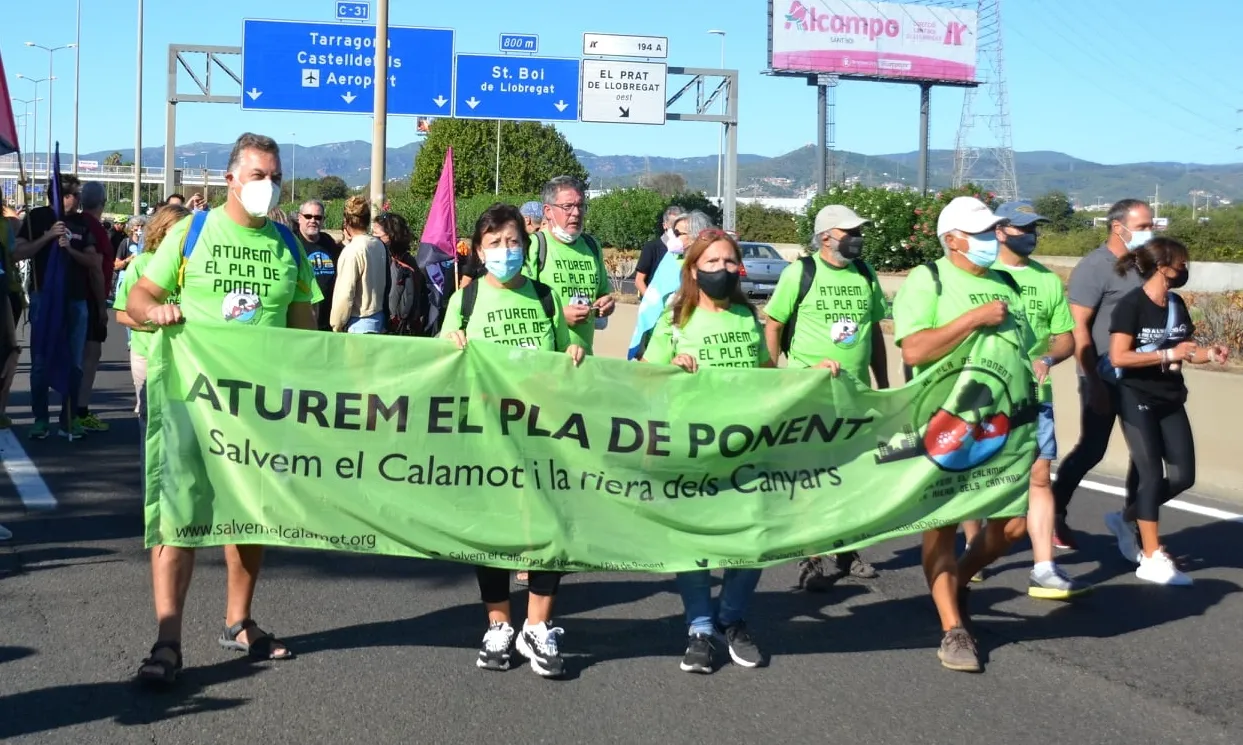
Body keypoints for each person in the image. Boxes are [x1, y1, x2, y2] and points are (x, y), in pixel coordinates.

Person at [124, 132, 321, 686]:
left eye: (276, 177)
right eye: (258, 175)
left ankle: (239, 622)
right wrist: (155, 313)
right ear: (231, 179)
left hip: (260, 410)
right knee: (178, 516)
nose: (269, 185)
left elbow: (307, 333)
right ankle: (167, 642)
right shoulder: (192, 232)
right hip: (189, 401)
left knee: (249, 514)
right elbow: (138, 297)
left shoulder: (288, 246)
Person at [642, 228, 799, 674]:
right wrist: (670, 368)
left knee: (750, 540)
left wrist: (815, 377)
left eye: (730, 261)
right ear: (693, 270)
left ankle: (732, 619)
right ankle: (700, 627)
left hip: (747, 450)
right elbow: (641, 379)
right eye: (712, 262)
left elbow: (768, 376)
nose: (723, 269)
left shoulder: (748, 318)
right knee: (696, 541)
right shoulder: (676, 320)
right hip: (692, 451)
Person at [891, 196, 1037, 673]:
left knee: (1012, 527)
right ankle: (953, 629)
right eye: (981, 233)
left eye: (993, 230)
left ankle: (955, 580)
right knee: (943, 523)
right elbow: (914, 349)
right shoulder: (927, 279)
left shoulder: (1006, 283)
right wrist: (973, 318)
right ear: (952, 240)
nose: (992, 239)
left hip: (1006, 425)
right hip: (946, 425)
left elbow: (1022, 350)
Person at [441, 203, 584, 678]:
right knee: (494, 529)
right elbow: (440, 365)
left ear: (525, 244)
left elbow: (566, 354)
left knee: (550, 525)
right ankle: (499, 625)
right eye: (495, 243)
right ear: (479, 251)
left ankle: (537, 626)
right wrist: (451, 346)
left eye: (513, 241)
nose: (505, 250)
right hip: (487, 438)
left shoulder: (545, 297)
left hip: (543, 437)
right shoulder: (465, 300)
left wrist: (575, 351)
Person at [764, 204, 886, 588]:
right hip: (810, 393)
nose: (858, 239)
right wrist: (773, 380)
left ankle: (846, 548)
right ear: (826, 237)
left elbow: (874, 330)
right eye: (851, 232)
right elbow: (774, 324)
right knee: (812, 475)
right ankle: (812, 556)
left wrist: (882, 383)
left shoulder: (865, 273)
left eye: (859, 232)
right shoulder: (800, 273)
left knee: (851, 474)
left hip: (854, 394)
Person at [1107, 238, 1223, 585]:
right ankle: (1151, 557)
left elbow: (1185, 349)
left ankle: (1125, 518)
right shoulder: (1131, 305)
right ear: (1162, 267)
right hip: (1135, 395)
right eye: (1181, 263)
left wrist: (1207, 354)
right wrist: (1166, 355)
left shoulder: (1175, 304)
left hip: (1170, 396)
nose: (1185, 269)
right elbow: (1118, 356)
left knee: (1183, 476)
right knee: (1151, 475)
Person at [989, 200, 1089, 599]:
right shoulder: (981, 274)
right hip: (987, 396)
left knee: (1039, 475)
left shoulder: (1046, 280)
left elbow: (1065, 337)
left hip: (1034, 395)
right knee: (980, 476)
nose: (1031, 235)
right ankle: (975, 550)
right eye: (1022, 228)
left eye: (1034, 228)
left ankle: (1044, 568)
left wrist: (1048, 358)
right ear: (1000, 231)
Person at [1052, 199, 1151, 549]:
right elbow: (1078, 326)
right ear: (1117, 227)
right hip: (1103, 375)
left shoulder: (1144, 264)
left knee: (1146, 455)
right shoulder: (1094, 267)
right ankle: (1054, 511)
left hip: (1140, 375)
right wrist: (1092, 380)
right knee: (1093, 449)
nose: (1149, 232)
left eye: (1151, 225)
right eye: (1142, 227)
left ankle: (1134, 525)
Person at [13, 173, 104, 441]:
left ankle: (69, 418)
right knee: (41, 360)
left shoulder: (82, 222)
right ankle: (41, 419)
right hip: (45, 296)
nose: (77, 198)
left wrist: (70, 249)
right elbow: (18, 253)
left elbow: (93, 262)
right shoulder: (37, 217)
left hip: (76, 299)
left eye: (78, 194)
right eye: (71, 194)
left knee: (74, 362)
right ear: (57, 195)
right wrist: (47, 238)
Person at [113, 203, 189, 444]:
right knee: (151, 418)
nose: (183, 237)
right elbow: (121, 314)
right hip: (148, 352)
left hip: (186, 356)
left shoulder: (197, 264)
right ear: (161, 230)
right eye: (178, 230)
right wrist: (156, 323)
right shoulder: (142, 263)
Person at [525, 176, 615, 355]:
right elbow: (518, 304)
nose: (576, 213)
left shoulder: (592, 246)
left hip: (583, 359)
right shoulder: (533, 246)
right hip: (545, 359)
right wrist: (558, 316)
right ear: (548, 211)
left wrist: (606, 304)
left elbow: (603, 293)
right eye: (568, 206)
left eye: (580, 206)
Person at [75, 182, 117, 434]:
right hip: (90, 299)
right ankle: (80, 411)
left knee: (79, 355)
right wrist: (102, 306)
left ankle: (73, 410)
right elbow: (96, 270)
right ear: (103, 202)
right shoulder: (96, 229)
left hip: (76, 297)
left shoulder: (77, 223)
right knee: (90, 356)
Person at [330, 196, 389, 333]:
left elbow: (345, 293)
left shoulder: (352, 251)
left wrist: (336, 324)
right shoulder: (378, 244)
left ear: (346, 222)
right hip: (378, 316)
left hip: (359, 321)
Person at [374, 212, 426, 336]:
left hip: (395, 328)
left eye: (377, 236)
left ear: (391, 235)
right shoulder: (408, 260)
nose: (373, 239)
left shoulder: (405, 263)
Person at [296, 199, 342, 331]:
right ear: (299, 218)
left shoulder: (329, 242)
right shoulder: (293, 243)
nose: (313, 220)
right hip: (302, 321)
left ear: (323, 220)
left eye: (318, 217)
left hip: (328, 322)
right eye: (308, 216)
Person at [635, 205, 686, 296]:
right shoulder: (651, 247)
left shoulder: (685, 249)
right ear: (664, 225)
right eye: (673, 224)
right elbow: (639, 281)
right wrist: (651, 300)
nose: (676, 229)